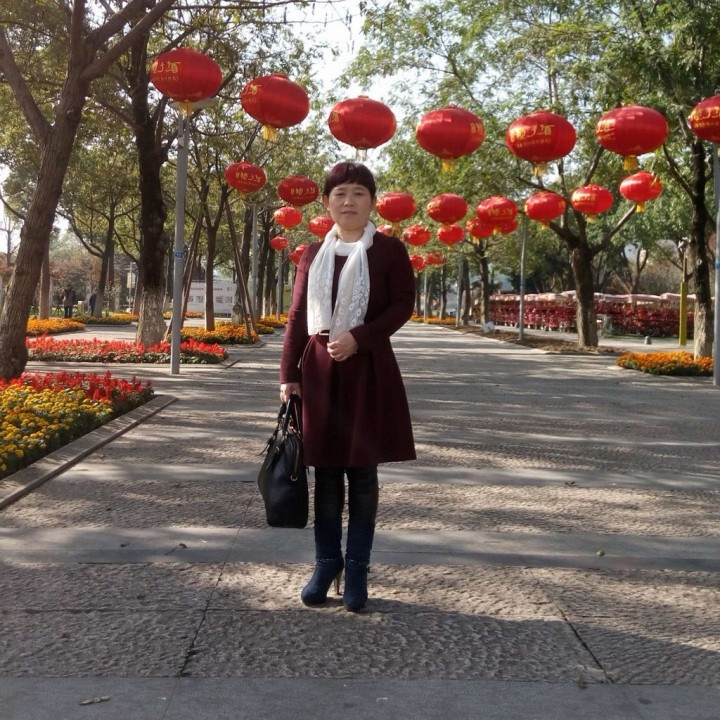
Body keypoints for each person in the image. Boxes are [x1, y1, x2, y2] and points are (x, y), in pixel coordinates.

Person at [280, 162, 416, 612]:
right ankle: (326, 564)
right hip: (320, 372)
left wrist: (360, 337)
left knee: (361, 473)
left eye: (358, 193)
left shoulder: (389, 251)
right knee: (325, 473)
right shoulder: (311, 254)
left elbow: (402, 305)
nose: (349, 201)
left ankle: (357, 568)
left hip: (368, 369)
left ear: (372, 201)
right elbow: (297, 316)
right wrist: (289, 376)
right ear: (326, 203)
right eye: (340, 194)